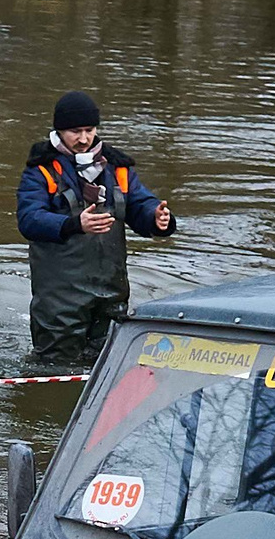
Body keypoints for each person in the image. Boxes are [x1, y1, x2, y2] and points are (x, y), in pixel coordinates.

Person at [16, 90, 177, 362]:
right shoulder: (41, 170)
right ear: (59, 131)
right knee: (53, 367)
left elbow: (140, 203)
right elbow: (29, 218)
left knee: (107, 364)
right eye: (74, 131)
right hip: (59, 298)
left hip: (111, 292)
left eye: (89, 130)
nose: (83, 139)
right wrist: (73, 223)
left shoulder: (117, 168)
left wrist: (157, 219)